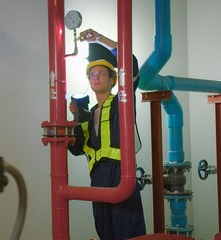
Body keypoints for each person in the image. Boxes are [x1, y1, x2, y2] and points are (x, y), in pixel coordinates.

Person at [68, 29, 146, 240]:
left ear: (113, 80)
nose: (96, 78)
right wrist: (75, 118)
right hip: (97, 177)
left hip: (121, 173)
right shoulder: (88, 114)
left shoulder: (122, 101)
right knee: (106, 235)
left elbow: (131, 64)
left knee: (128, 234)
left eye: (102, 74)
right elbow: (76, 149)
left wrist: (99, 39)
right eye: (92, 75)